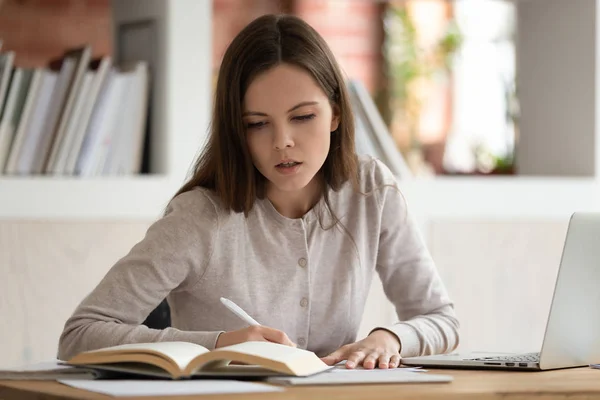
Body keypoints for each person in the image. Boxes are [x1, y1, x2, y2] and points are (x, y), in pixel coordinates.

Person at [58, 14, 459, 370]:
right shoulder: (200, 217)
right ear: (236, 127)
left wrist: (390, 339)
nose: (282, 142)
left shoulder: (372, 191)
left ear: (335, 112)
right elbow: (80, 334)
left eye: (303, 117)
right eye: (256, 123)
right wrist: (217, 345)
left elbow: (441, 319)